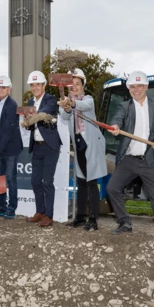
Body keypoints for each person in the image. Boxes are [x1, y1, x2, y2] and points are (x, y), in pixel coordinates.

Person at [106, 71, 154, 237]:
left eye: (140, 86)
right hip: (129, 159)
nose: (136, 90)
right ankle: (124, 223)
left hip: (152, 161)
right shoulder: (125, 106)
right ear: (129, 89)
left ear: (146, 87)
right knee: (112, 188)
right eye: (133, 87)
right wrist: (115, 127)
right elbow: (117, 119)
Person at [57, 68, 107, 231]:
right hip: (78, 143)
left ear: (83, 85)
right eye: (72, 85)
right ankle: (80, 217)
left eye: (77, 84)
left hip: (91, 143)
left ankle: (93, 219)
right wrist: (65, 106)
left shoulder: (88, 99)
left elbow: (84, 106)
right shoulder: (67, 102)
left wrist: (71, 103)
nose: (74, 87)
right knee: (81, 181)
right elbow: (64, 117)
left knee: (91, 182)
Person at [24, 71, 62, 227]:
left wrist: (33, 117)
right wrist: (26, 122)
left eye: (38, 84)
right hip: (37, 147)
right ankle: (39, 211)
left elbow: (44, 113)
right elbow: (30, 126)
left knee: (47, 181)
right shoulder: (30, 101)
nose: (35, 88)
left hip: (50, 146)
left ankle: (49, 215)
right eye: (32, 85)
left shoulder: (50, 99)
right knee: (35, 181)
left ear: (44, 85)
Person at [0, 75, 23, 219]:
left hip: (11, 147)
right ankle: (2, 206)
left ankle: (12, 208)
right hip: (2, 145)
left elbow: (8, 131)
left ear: (9, 89)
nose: (0, 90)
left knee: (10, 177)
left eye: (3, 87)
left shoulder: (12, 105)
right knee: (0, 177)